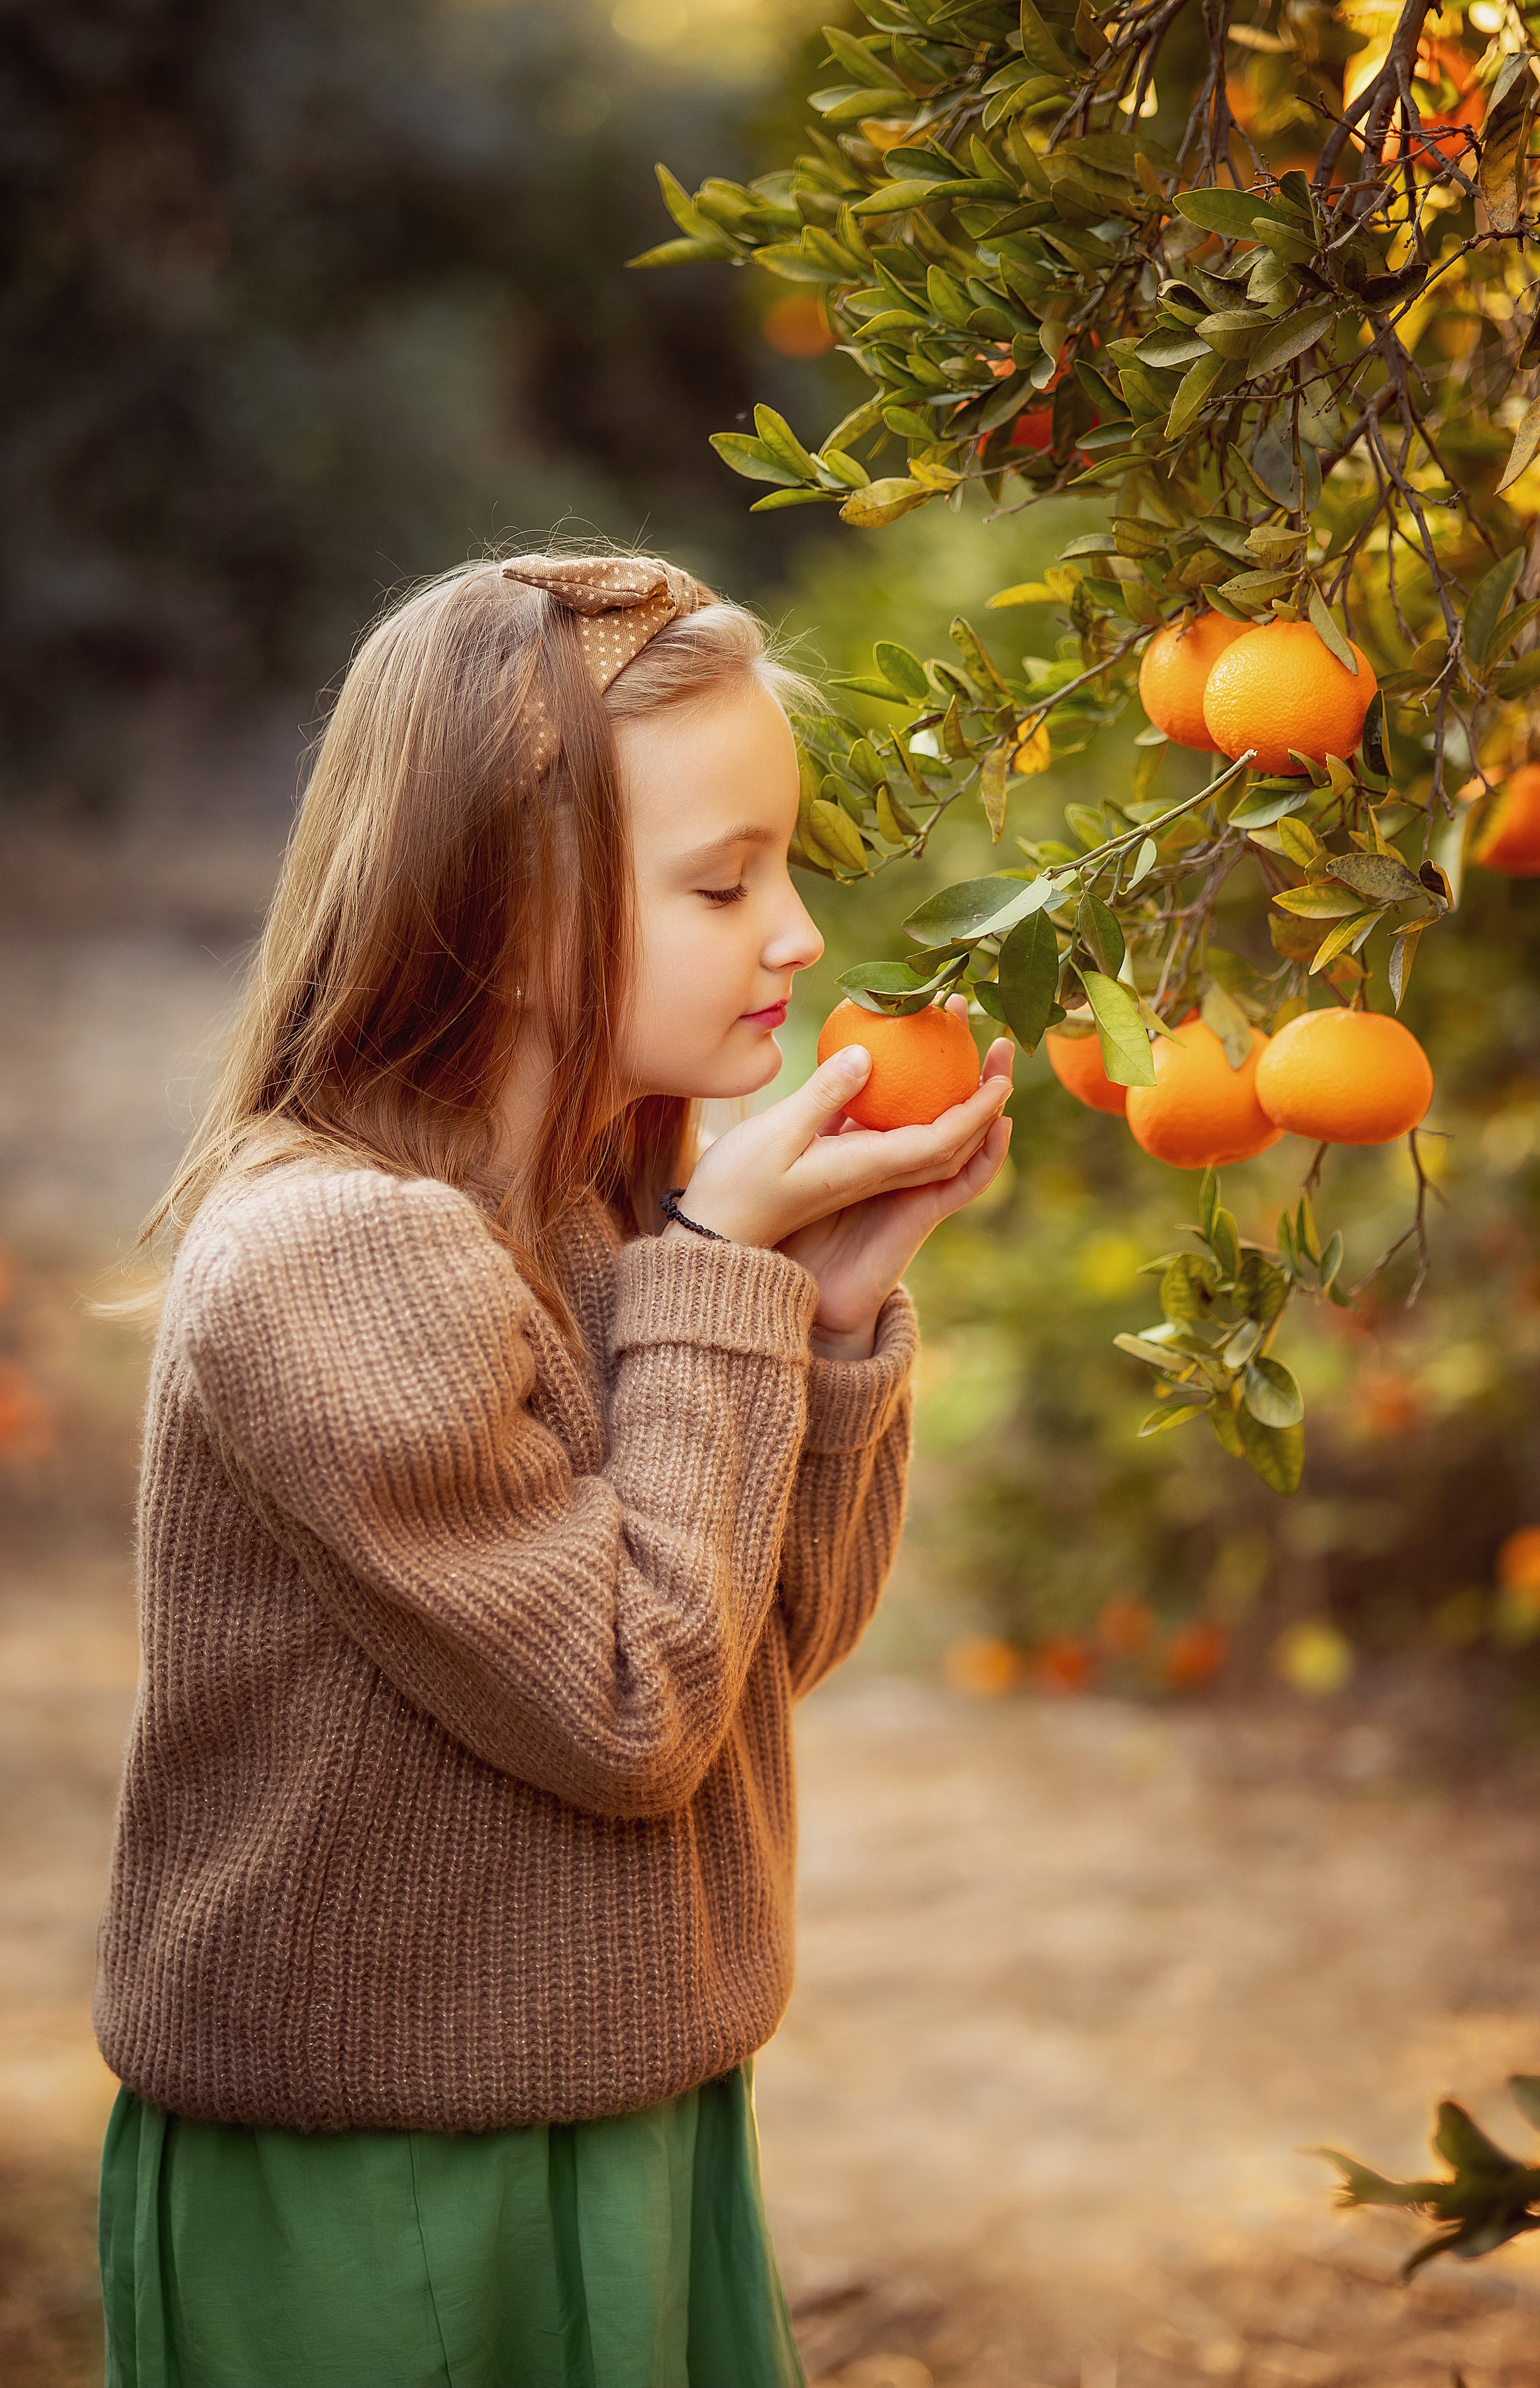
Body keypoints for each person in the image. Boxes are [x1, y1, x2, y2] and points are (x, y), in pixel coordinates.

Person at [94, 549, 1014, 2387]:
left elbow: (759, 1648)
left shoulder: (595, 1223)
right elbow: (628, 1707)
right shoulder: (341, 1257)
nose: (801, 933)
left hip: (630, 2119)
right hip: (396, 2187)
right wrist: (719, 1288)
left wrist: (817, 1325)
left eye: (788, 866)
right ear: (507, 907)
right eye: (722, 882)